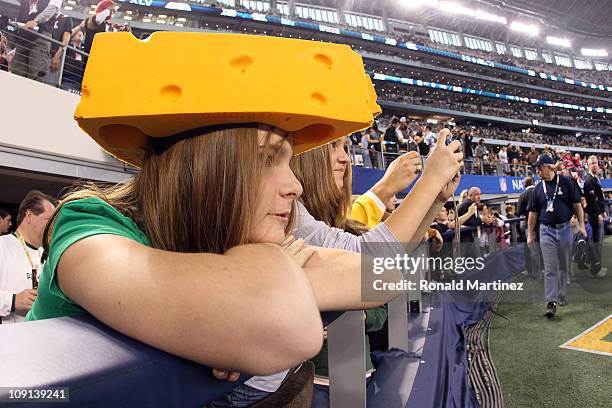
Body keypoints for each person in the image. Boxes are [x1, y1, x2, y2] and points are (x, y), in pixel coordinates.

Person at [25, 32, 386, 384]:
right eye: (267, 160)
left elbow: (386, 273)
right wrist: (259, 284)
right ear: (208, 165)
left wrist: (239, 303)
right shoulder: (86, 225)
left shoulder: (224, 236)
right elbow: (290, 329)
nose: (296, 186)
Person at [528, 155, 585, 318]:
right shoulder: (538, 189)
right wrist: (530, 234)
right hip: (546, 231)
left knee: (564, 265)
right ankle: (551, 302)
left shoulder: (566, 182)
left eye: (540, 167)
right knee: (550, 267)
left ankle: (560, 294)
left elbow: (577, 206)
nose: (538, 171)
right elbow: (532, 213)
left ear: (549, 167)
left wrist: (581, 225)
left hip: (565, 229)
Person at [0, 190, 55, 324]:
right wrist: (12, 300)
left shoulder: (47, 252)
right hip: (11, 338)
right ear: (29, 215)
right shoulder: (2, 246)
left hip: (43, 332)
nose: (52, 226)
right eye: (48, 220)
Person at [12, 0, 62, 80]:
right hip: (23, 37)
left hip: (40, 37)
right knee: (17, 73)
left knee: (36, 73)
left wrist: (36, 21)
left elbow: (52, 9)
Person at [582, 155, 607, 277]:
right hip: (594, 216)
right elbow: (592, 201)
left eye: (596, 163)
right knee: (597, 243)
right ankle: (596, 268)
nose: (595, 165)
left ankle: (597, 266)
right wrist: (598, 214)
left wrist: (604, 211)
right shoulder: (589, 181)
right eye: (592, 163)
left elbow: (600, 198)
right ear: (588, 165)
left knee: (599, 242)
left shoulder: (596, 179)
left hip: (599, 214)